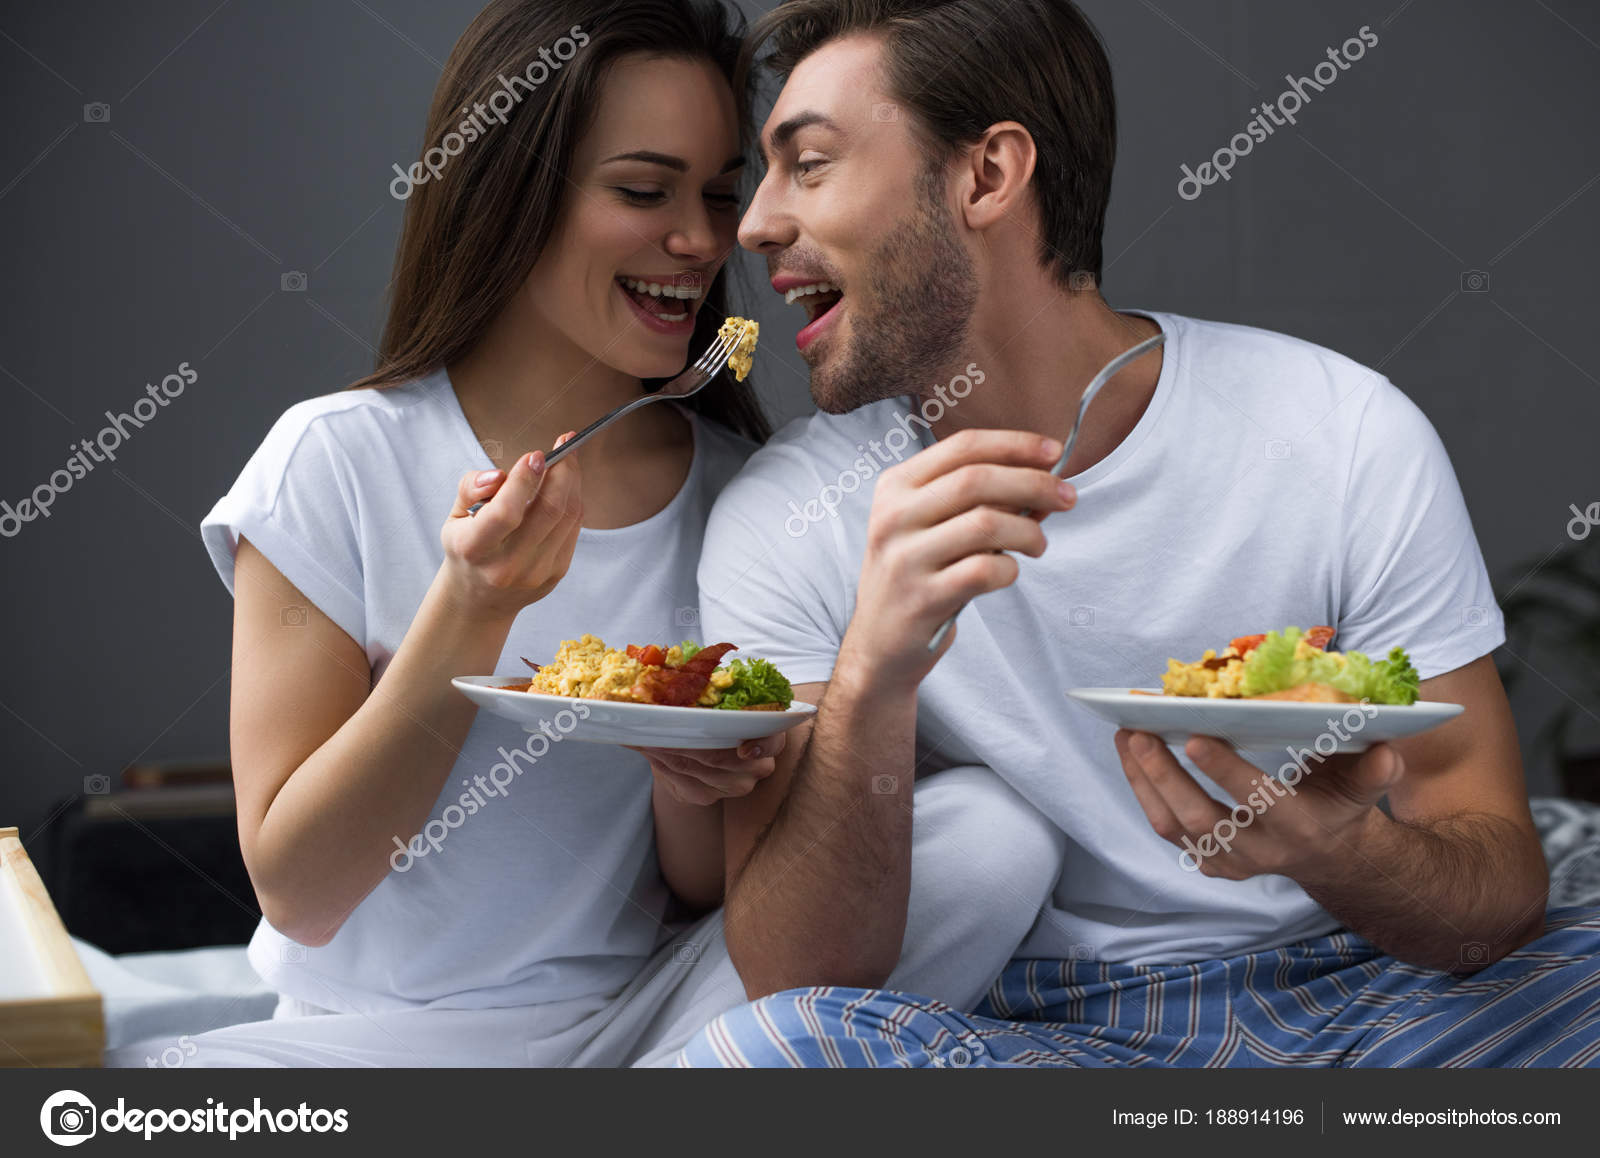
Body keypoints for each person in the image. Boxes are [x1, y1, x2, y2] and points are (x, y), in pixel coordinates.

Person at [106, 0, 1060, 1069]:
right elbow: (302, 891)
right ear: (508, 192)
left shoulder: (749, 493)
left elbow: (700, 891)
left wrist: (689, 781)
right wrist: (470, 609)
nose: (702, 241)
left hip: (650, 1021)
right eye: (644, 191)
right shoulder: (334, 461)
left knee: (989, 836)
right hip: (375, 1044)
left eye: (718, 194)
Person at [678, 0, 1600, 1067]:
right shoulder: (787, 517)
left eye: (810, 165)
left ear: (987, 176)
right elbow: (792, 974)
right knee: (772, 1051)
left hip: (1373, 1002)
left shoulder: (1342, 429)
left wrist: (1345, 852)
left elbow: (1496, 888)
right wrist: (874, 674)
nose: (754, 224)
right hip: (1046, 1040)